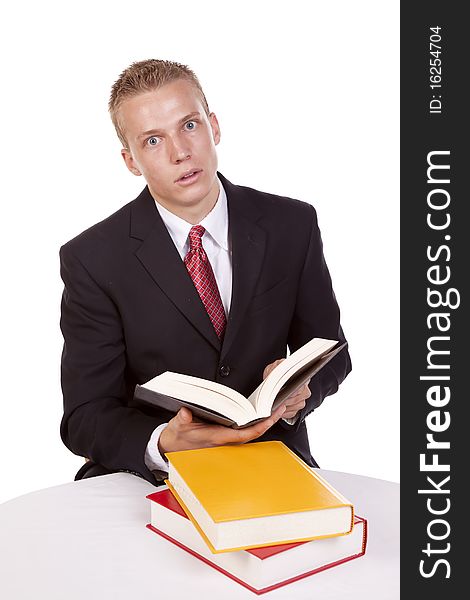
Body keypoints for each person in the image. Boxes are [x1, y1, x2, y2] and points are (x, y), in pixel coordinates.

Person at [59, 59, 351, 484]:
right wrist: (162, 440)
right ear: (131, 160)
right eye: (154, 140)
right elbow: (85, 415)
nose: (181, 152)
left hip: (271, 456)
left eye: (189, 126)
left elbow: (330, 350)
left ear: (214, 127)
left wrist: (301, 391)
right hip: (152, 474)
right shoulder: (92, 258)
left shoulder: (292, 224)